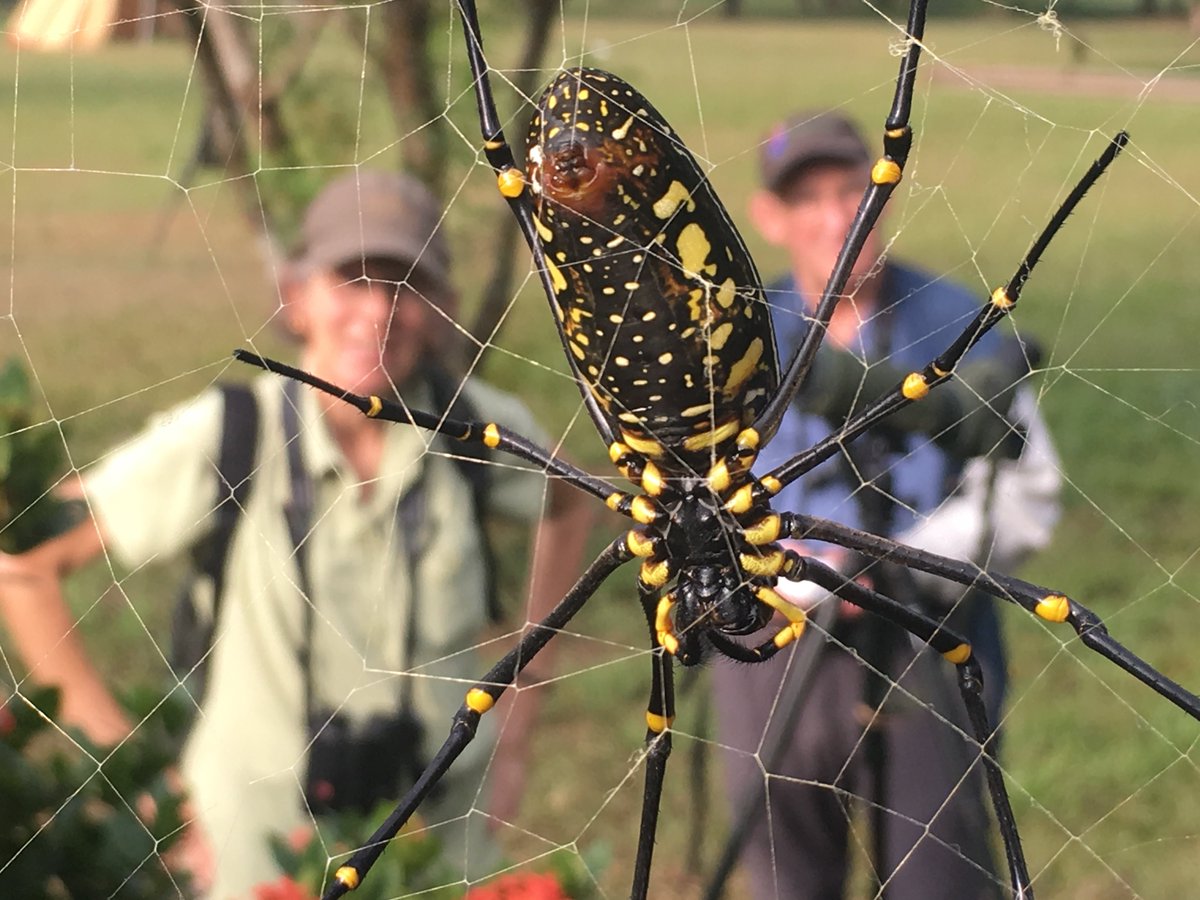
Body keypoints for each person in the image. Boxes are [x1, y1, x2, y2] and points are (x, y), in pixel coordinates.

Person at [0, 170, 594, 897]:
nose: (377, 311)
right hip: (250, 845)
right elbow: (22, 562)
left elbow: (573, 499)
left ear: (442, 309)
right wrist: (129, 781)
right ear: (298, 295)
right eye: (353, 279)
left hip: (436, 837)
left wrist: (524, 707)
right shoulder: (232, 433)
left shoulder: (477, 430)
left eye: (405, 285)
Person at [712, 113, 1062, 899]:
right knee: (785, 873)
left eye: (853, 192)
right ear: (771, 217)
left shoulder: (961, 320)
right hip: (774, 640)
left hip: (928, 635)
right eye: (811, 201)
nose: (839, 218)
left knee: (941, 874)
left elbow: (1028, 493)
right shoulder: (733, 336)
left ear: (886, 191)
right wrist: (810, 578)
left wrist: (899, 565)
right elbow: (696, 502)